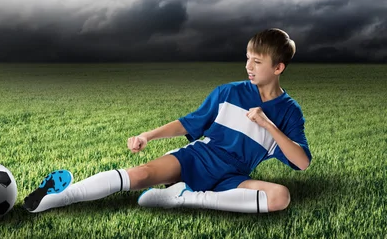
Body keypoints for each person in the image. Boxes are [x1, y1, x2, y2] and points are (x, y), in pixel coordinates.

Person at [23, 28, 312, 214]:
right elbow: (190, 123)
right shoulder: (228, 92)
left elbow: (302, 162)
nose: (248, 66)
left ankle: (185, 197)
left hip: (234, 175)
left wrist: (268, 125)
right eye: (247, 58)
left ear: (278, 68)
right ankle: (58, 198)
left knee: (279, 197)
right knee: (140, 175)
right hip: (198, 157)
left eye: (257, 62)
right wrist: (148, 135)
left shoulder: (288, 111)